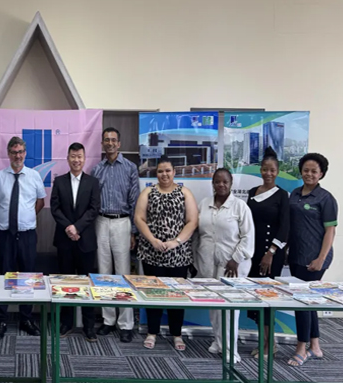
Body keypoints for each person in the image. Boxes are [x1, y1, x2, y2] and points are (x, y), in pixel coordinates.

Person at [134, 156, 198, 351]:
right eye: (160, 171)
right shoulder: (148, 192)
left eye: (168, 170)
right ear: (156, 173)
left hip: (178, 255)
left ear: (174, 172)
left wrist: (176, 242)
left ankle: (177, 334)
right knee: (153, 295)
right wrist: (153, 240)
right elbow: (139, 218)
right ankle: (152, 332)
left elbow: (192, 221)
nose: (164, 174)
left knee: (176, 296)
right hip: (152, 253)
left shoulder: (184, 192)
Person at [0, 136, 46, 339]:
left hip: (27, 235)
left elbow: (40, 202)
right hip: (6, 235)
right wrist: (8, 219)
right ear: (8, 154)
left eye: (20, 152)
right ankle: (2, 319)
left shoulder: (34, 176)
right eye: (14, 152)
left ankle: (26, 319)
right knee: (4, 276)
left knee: (27, 277)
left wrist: (25, 217)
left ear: (25, 153)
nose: (17, 156)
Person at [195, 168, 254, 363]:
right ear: (212, 183)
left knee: (230, 309)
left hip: (231, 266)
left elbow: (248, 237)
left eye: (225, 182)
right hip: (207, 262)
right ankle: (218, 341)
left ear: (231, 183)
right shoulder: (204, 204)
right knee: (213, 305)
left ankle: (231, 350)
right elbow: (198, 234)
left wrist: (236, 259)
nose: (221, 185)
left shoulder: (240, 207)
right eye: (217, 182)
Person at [286, 153, 338, 367]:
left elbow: (330, 231)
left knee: (302, 302)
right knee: (309, 302)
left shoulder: (326, 198)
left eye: (314, 171)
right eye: (306, 170)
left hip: (315, 258)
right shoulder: (295, 194)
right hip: (296, 256)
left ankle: (301, 348)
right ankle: (315, 346)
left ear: (321, 174)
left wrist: (320, 259)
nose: (309, 174)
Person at [91, 127, 139, 343]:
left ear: (119, 144)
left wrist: (134, 232)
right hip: (101, 222)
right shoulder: (96, 170)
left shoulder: (130, 168)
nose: (109, 143)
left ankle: (126, 323)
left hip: (122, 222)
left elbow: (135, 200)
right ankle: (108, 319)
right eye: (106, 140)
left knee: (123, 274)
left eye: (113, 140)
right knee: (104, 274)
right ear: (102, 143)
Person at [50, 143, 101, 342]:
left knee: (87, 284)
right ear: (68, 158)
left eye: (79, 156)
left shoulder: (93, 182)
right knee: (65, 284)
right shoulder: (59, 181)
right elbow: (55, 209)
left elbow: (94, 209)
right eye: (73, 156)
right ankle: (66, 323)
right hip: (64, 241)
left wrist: (77, 228)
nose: (76, 160)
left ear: (84, 158)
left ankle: (89, 326)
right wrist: (69, 228)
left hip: (85, 241)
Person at [246, 147, 289, 359]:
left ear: (277, 171)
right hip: (253, 253)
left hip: (270, 255)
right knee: (255, 299)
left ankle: (270, 344)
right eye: (265, 169)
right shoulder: (252, 192)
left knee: (267, 298)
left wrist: (270, 253)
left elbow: (285, 228)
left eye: (272, 170)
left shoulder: (282, 195)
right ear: (260, 170)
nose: (268, 173)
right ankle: (264, 341)